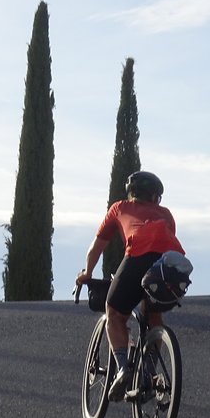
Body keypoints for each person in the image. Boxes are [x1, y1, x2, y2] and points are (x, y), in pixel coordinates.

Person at [75, 170, 185, 399]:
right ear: (155, 197)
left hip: (138, 255)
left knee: (114, 313)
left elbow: (96, 247)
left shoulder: (119, 208)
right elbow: (164, 244)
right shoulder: (166, 214)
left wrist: (88, 272)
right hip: (172, 265)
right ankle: (147, 374)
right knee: (154, 318)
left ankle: (124, 369)